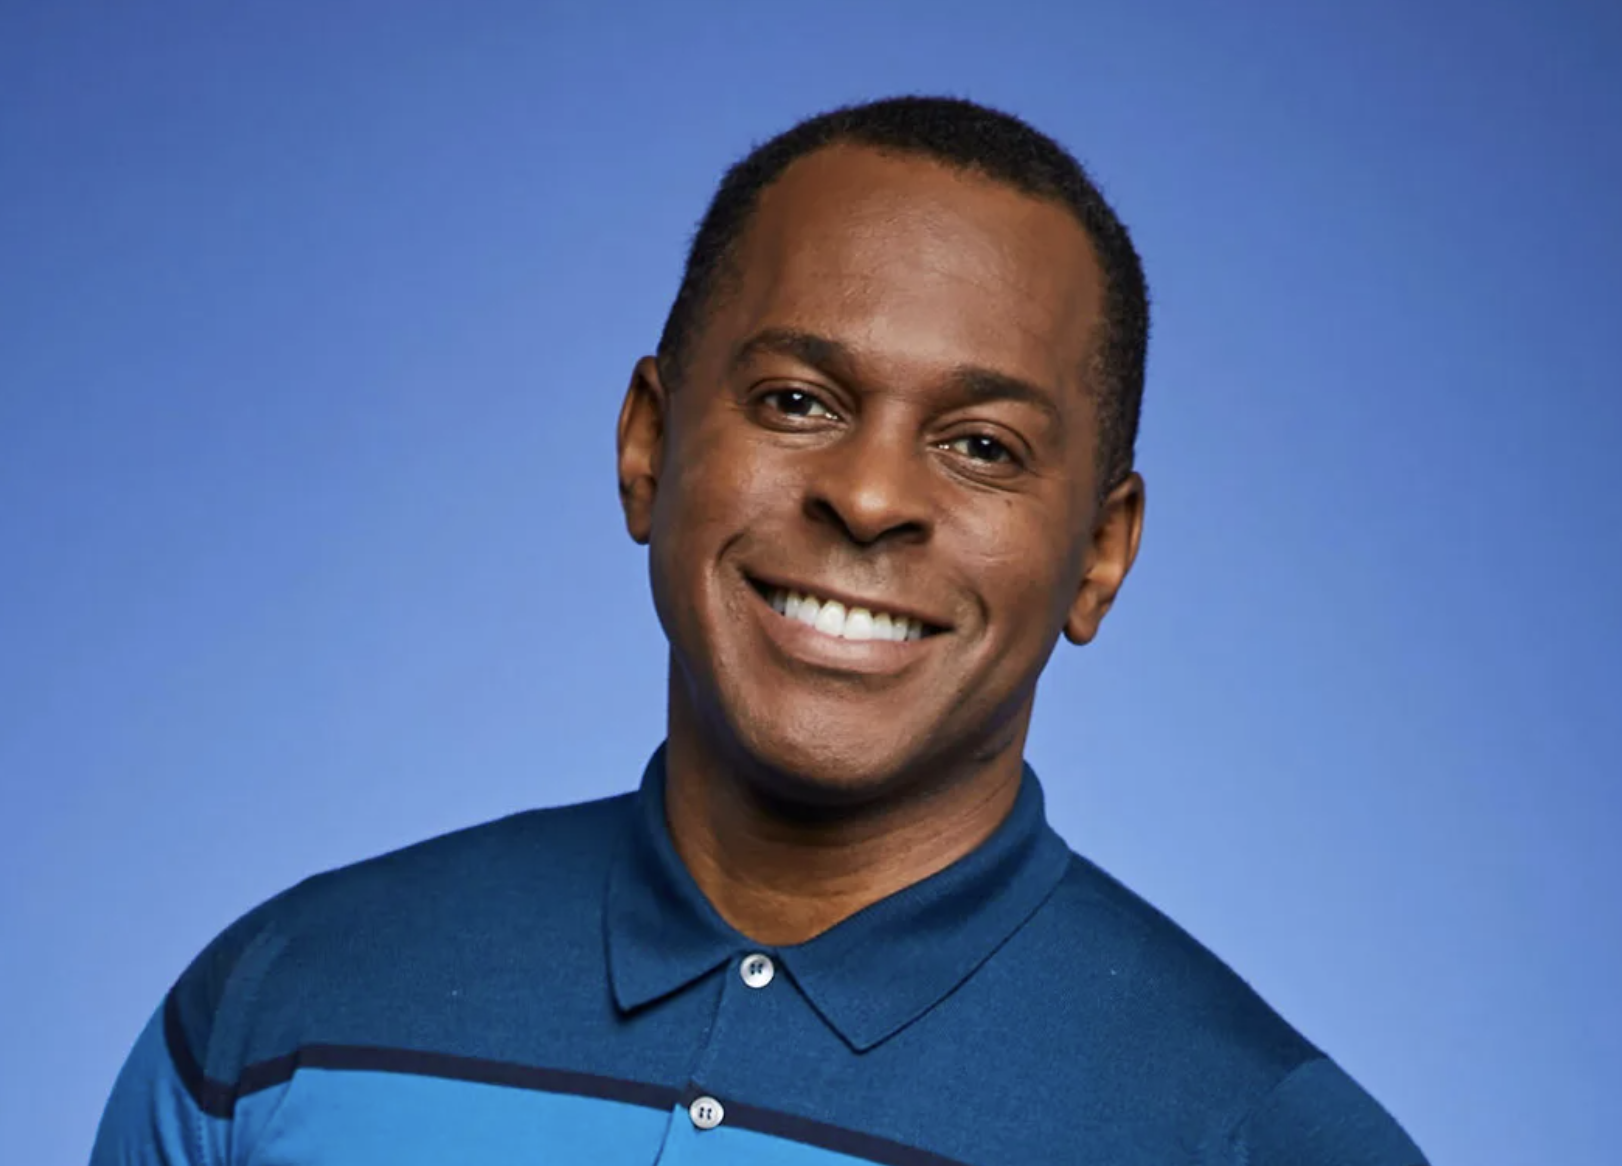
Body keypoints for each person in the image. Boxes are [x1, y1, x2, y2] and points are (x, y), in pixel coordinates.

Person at [92, 95, 1428, 1166]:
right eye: (797, 399)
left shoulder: (1256, 1140)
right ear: (648, 445)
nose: (867, 494)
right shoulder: (278, 1011)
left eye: (980, 444)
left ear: (1100, 552)